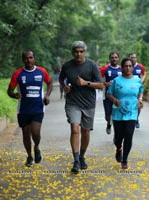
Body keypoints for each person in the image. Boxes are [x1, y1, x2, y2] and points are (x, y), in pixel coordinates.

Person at [59, 41, 103, 174]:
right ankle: (76, 160)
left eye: (81, 51)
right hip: (73, 103)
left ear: (85, 52)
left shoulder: (91, 65)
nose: (78, 54)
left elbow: (101, 85)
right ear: (72, 53)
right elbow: (62, 79)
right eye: (76, 51)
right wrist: (65, 87)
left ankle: (82, 156)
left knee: (86, 132)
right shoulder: (67, 66)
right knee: (74, 129)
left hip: (88, 104)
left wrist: (86, 83)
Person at [7, 50, 53, 167]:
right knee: (26, 134)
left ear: (34, 59)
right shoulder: (17, 74)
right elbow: (10, 90)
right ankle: (29, 156)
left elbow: (50, 83)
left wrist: (47, 96)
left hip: (38, 108)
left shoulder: (42, 71)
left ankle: (36, 147)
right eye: (26, 58)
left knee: (35, 132)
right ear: (23, 60)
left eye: (31, 58)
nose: (29, 60)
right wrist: (14, 95)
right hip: (23, 110)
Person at [106, 58, 143, 169]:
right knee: (118, 137)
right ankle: (118, 148)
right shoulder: (117, 80)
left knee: (128, 135)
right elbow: (109, 93)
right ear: (122, 67)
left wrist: (140, 100)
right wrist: (115, 100)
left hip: (132, 112)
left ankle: (125, 159)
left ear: (133, 67)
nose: (128, 68)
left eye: (130, 66)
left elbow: (140, 91)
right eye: (125, 66)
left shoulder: (137, 80)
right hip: (118, 113)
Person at [100, 52, 122, 135]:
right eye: (112, 57)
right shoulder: (105, 68)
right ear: (110, 59)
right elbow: (99, 78)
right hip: (107, 95)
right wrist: (105, 83)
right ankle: (109, 123)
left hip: (118, 95)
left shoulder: (121, 69)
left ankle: (117, 134)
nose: (114, 59)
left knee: (117, 115)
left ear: (118, 58)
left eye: (116, 57)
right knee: (108, 116)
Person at [128, 53, 146, 129]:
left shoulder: (140, 66)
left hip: (138, 88)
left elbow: (144, 74)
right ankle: (130, 118)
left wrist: (141, 81)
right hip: (129, 89)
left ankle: (136, 118)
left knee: (138, 104)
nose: (133, 59)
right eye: (131, 57)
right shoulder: (127, 66)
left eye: (134, 57)